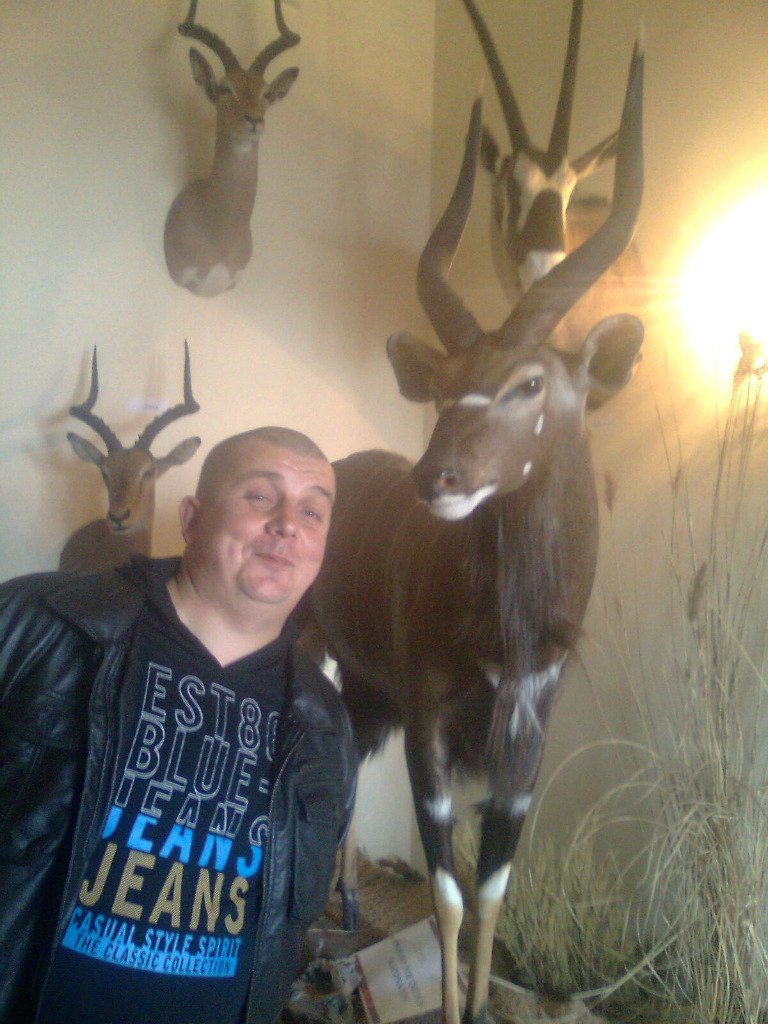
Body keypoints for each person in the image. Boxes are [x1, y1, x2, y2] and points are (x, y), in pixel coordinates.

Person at [0, 426, 357, 1024]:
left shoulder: (326, 727)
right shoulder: (35, 625)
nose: (287, 525)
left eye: (312, 511)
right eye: (261, 497)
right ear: (191, 519)